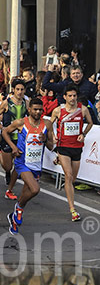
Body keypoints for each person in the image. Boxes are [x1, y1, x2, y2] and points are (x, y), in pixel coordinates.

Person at [2, 94, 54, 235]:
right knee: (35, 189)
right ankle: (18, 208)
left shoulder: (47, 124)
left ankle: (14, 217)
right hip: (22, 163)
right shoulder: (21, 123)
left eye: (40, 110)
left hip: (36, 164)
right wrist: (13, 147)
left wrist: (45, 140)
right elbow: (5, 132)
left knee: (28, 192)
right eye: (35, 109)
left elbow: (51, 146)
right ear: (29, 109)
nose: (38, 112)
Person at [51, 84, 93, 221]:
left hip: (76, 147)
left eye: (74, 96)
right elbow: (49, 124)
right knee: (68, 176)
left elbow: (91, 123)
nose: (73, 98)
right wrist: (53, 136)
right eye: (70, 96)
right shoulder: (58, 111)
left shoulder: (83, 109)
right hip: (63, 146)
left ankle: (68, 186)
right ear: (65, 97)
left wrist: (83, 134)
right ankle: (72, 209)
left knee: (72, 178)